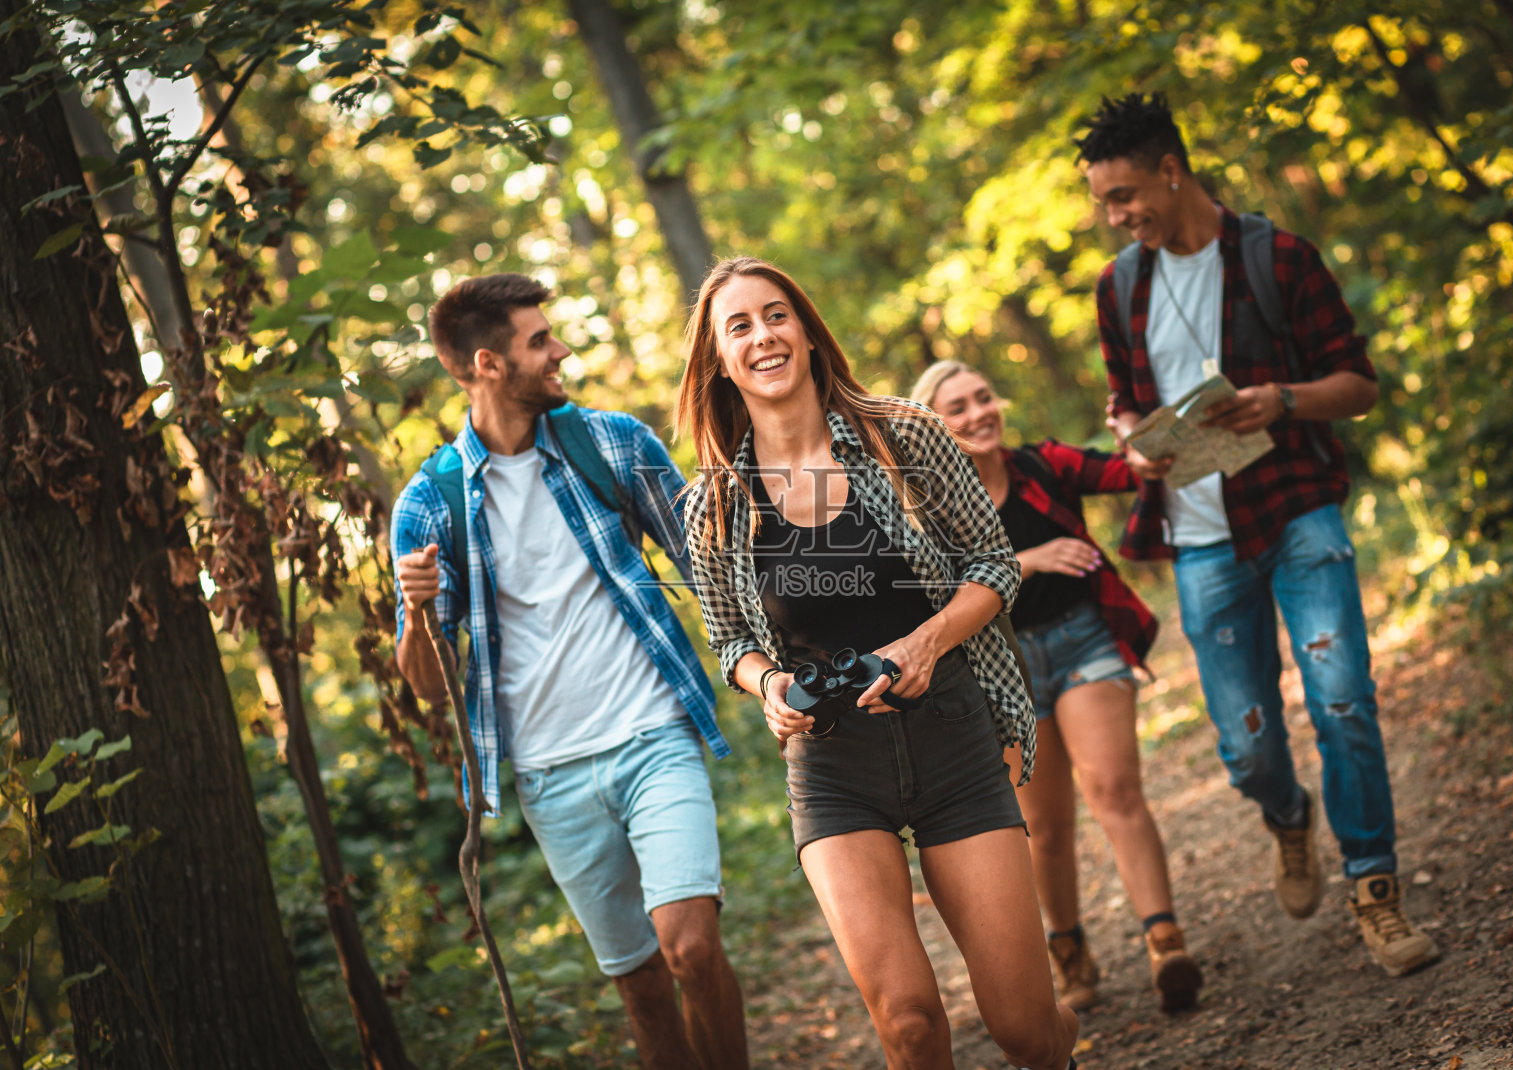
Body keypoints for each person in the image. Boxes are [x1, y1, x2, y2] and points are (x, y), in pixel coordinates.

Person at [677, 257, 1077, 1070]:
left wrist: (927, 641)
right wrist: (770, 686)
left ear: (808, 329)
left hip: (954, 739)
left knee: (1026, 1030)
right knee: (908, 1021)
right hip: (832, 768)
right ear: (719, 360)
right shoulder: (712, 502)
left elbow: (993, 565)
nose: (764, 337)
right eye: (740, 326)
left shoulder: (906, 435)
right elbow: (729, 641)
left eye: (777, 314)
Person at [1079, 92, 1441, 977]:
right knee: (1244, 745)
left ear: (1173, 171)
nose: (1117, 218)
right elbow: (1125, 400)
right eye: (1104, 205)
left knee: (1344, 700)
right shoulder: (1121, 285)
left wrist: (1283, 400)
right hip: (1200, 540)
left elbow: (1358, 384)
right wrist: (1134, 441)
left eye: (1125, 197)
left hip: (1296, 509)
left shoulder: (1278, 257)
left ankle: (1375, 887)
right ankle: (1287, 817)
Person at [390, 273, 749, 1069]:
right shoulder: (431, 503)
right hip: (550, 776)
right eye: (540, 342)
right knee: (643, 986)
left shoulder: (612, 441)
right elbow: (424, 681)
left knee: (689, 948)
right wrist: (417, 612)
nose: (561, 351)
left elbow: (711, 564)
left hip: (654, 733)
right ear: (488, 364)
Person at [913, 360, 1202, 1013]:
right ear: (934, 425)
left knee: (1112, 788)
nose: (978, 413)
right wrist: (1027, 560)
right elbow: (929, 593)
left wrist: (1141, 443)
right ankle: (1068, 947)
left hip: (1083, 641)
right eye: (957, 407)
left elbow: (1128, 470)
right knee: (1044, 826)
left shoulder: (1042, 465)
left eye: (983, 397)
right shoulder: (925, 508)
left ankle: (1166, 941)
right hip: (1002, 671)